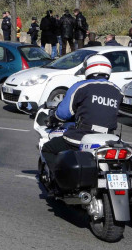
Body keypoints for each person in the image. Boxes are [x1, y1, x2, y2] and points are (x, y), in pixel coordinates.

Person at [41, 54, 123, 186]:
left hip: (82, 135)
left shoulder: (81, 86)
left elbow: (63, 113)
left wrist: (53, 117)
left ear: (88, 69)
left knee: (48, 149)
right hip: (108, 138)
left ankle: (58, 182)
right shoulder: (117, 91)